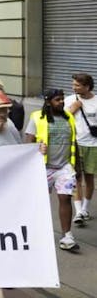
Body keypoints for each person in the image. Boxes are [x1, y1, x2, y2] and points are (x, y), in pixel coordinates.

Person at [25, 89, 80, 251]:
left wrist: (77, 165)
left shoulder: (68, 117)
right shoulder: (36, 117)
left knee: (65, 199)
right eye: (58, 100)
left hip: (64, 167)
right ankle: (35, 232)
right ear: (48, 102)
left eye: (62, 99)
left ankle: (67, 235)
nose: (62, 102)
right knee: (40, 201)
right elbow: (29, 142)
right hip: (43, 168)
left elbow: (73, 142)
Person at [66, 73, 97, 226]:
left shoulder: (96, 100)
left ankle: (85, 209)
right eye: (74, 84)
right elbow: (62, 118)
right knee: (76, 178)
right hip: (75, 144)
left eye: (77, 85)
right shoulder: (70, 100)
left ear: (87, 86)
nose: (74, 87)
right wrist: (72, 109)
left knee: (90, 178)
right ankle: (78, 212)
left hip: (93, 145)